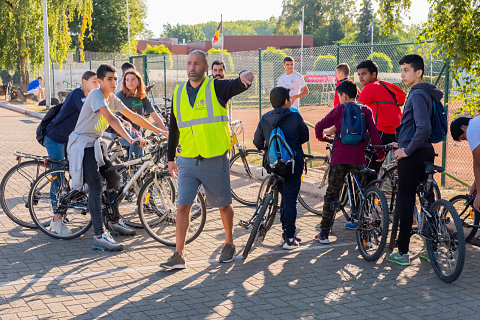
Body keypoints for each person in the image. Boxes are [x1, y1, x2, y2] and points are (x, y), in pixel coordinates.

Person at [162, 50, 254, 269]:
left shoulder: (216, 87)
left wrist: (244, 76)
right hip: (188, 160)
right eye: (189, 63)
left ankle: (229, 243)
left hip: (214, 158)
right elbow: (174, 126)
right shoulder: (178, 93)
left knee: (223, 205)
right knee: (182, 206)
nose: (192, 67)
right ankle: (179, 254)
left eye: (197, 64)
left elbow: (238, 84)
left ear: (205, 68)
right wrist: (171, 157)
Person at [67, 64, 164, 251]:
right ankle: (99, 235)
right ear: (100, 81)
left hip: (96, 143)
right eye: (109, 79)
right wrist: (131, 139)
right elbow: (113, 119)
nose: (114, 82)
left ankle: (114, 221)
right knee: (95, 186)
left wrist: (161, 131)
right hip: (83, 144)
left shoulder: (111, 98)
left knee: (115, 178)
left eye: (115, 79)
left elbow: (134, 117)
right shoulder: (96, 95)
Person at [386, 54, 443, 266]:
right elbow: (417, 128)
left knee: (406, 199)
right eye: (401, 70)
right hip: (425, 150)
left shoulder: (417, 94)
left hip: (414, 153)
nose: (402, 75)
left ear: (418, 72)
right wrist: (400, 144)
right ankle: (431, 249)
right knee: (427, 201)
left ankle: (402, 253)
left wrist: (406, 150)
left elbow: (423, 127)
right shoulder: (427, 92)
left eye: (406, 70)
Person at [314, 80, 385, 244]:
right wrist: (380, 154)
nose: (339, 98)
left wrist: (323, 137)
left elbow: (319, 127)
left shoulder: (339, 109)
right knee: (363, 192)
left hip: (339, 157)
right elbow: (374, 136)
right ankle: (365, 227)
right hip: (358, 158)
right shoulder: (366, 111)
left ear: (344, 95)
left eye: (339, 95)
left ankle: (324, 233)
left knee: (332, 194)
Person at [43, 71, 99, 235]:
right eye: (94, 81)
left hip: (70, 140)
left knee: (77, 171)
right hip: (55, 138)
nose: (97, 84)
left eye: (98, 82)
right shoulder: (78, 95)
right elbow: (91, 113)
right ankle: (57, 220)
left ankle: (69, 205)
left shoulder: (89, 97)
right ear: (84, 82)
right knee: (58, 178)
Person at [253, 87, 309, 249]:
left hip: (273, 166)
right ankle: (289, 237)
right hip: (292, 165)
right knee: (290, 200)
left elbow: (257, 142)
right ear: (286, 101)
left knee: (282, 194)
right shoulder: (295, 116)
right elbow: (304, 137)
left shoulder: (265, 118)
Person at [116, 69, 168, 159]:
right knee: (136, 159)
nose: (130, 82)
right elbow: (117, 117)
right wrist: (130, 128)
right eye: (127, 80)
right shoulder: (120, 96)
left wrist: (165, 132)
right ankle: (132, 168)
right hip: (123, 132)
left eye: (133, 79)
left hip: (139, 132)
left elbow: (154, 114)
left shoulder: (142, 96)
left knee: (143, 156)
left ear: (138, 81)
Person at [450, 116, 480, 211]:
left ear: (463, 127)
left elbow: (477, 164)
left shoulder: (472, 128)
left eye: (464, 138)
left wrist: (479, 194)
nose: (468, 140)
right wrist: (476, 182)